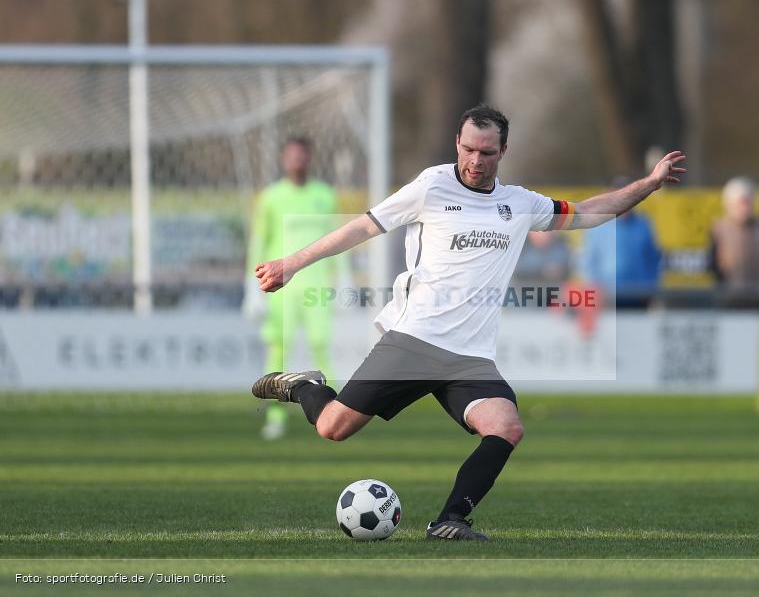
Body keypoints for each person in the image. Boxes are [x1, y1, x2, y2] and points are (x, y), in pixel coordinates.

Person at [250, 104, 686, 540]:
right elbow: (363, 228)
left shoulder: (520, 203)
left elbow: (589, 212)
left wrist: (648, 184)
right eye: (469, 149)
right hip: (414, 339)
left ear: (503, 151)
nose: (476, 160)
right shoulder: (430, 187)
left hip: (471, 356)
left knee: (506, 427)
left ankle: (450, 519)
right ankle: (305, 386)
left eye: (487, 153)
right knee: (333, 427)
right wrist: (292, 263)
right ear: (457, 143)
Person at [243, 137, 338, 440]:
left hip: (317, 286)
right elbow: (259, 241)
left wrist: (343, 279)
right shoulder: (271, 197)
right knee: (279, 349)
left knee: (321, 345)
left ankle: (334, 413)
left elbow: (337, 241)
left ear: (310, 158)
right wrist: (252, 287)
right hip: (280, 288)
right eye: (292, 155)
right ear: (284, 159)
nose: (298, 161)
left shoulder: (324, 195)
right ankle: (275, 417)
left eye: (303, 155)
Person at [581, 176, 662, 309]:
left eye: (628, 197)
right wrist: (595, 290)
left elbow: (653, 259)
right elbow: (589, 261)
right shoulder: (597, 225)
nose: (624, 203)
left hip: (639, 295)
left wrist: (651, 288)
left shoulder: (643, 225)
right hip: (607, 297)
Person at [707, 177, 759, 308]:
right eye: (740, 203)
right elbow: (713, 266)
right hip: (730, 301)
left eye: (748, 202)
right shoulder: (719, 230)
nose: (744, 207)